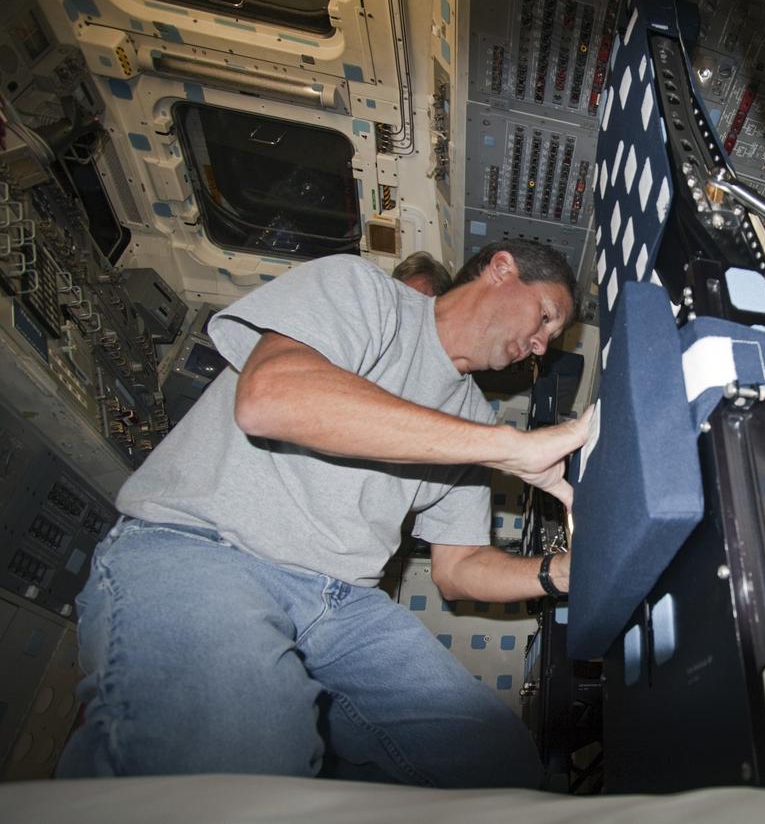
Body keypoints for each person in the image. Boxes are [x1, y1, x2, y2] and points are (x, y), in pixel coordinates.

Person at [58, 239, 592, 788]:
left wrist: (565, 573)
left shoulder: (472, 416)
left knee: (501, 768)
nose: (540, 345)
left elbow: (458, 570)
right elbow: (270, 397)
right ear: (501, 269)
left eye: (550, 338)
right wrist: (503, 446)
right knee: (237, 764)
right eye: (545, 317)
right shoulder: (363, 292)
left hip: (341, 608)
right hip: (207, 549)